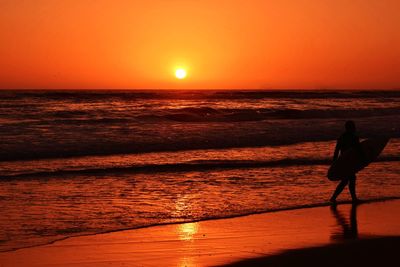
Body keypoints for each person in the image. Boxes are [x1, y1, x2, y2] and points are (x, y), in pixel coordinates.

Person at [330, 120, 364, 204]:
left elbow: (336, 151)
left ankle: (334, 197)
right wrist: (364, 159)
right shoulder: (354, 138)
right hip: (349, 162)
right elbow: (359, 150)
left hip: (343, 161)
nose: (355, 128)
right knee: (350, 179)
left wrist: (334, 163)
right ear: (351, 128)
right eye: (353, 127)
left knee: (346, 180)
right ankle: (353, 198)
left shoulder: (341, 137)